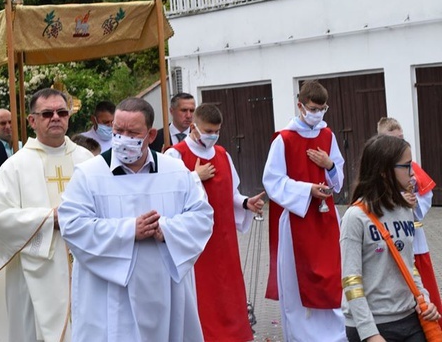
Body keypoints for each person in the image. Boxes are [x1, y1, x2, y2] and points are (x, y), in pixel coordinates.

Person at [58, 97, 214, 341]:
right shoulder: (89, 174)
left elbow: (202, 217)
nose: (122, 138)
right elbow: (73, 225)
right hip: (109, 292)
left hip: (165, 290)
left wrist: (166, 229)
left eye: (132, 132)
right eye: (118, 130)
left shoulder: (176, 172)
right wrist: (130, 230)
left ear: (151, 135)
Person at [0, 88, 94, 341]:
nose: (56, 117)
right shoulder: (16, 166)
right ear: (32, 121)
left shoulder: (88, 160)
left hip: (86, 267)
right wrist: (48, 219)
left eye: (62, 112)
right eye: (47, 113)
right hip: (33, 274)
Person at [166, 103, 265, 341]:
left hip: (223, 237)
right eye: (208, 131)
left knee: (228, 292)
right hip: (195, 243)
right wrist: (194, 177)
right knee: (203, 294)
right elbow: (167, 195)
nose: (213, 136)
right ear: (193, 127)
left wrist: (245, 203)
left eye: (216, 131)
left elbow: (230, 193)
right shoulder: (175, 154)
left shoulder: (222, 154)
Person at [262, 80, 346, 341]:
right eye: (313, 108)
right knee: (298, 280)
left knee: (331, 275)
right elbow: (273, 180)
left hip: (326, 217)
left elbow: (339, 181)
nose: (318, 114)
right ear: (300, 105)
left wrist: (330, 164)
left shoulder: (328, 135)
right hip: (297, 218)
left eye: (322, 109)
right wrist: (308, 189)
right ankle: (303, 336)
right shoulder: (283, 139)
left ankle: (335, 333)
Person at [341, 134, 440, 341]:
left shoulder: (405, 210)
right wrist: (370, 334)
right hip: (373, 325)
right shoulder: (355, 217)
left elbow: (409, 265)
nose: (413, 175)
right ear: (384, 172)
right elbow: (351, 281)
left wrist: (425, 301)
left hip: (410, 318)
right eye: (406, 167)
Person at [377, 117, 442, 327]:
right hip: (387, 238)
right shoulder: (377, 169)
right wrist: (398, 200)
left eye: (401, 139)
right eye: (393, 140)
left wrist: (413, 203)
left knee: (424, 287)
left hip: (414, 238)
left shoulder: (411, 166)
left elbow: (425, 198)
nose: (399, 144)